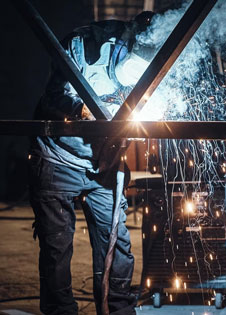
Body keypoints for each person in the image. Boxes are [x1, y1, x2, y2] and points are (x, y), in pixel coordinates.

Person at [28, 11, 155, 315]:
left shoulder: (156, 56)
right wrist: (84, 110)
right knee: (57, 246)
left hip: (104, 164)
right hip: (58, 156)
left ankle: (119, 310)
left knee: (118, 245)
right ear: (124, 46)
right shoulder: (80, 45)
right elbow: (54, 95)